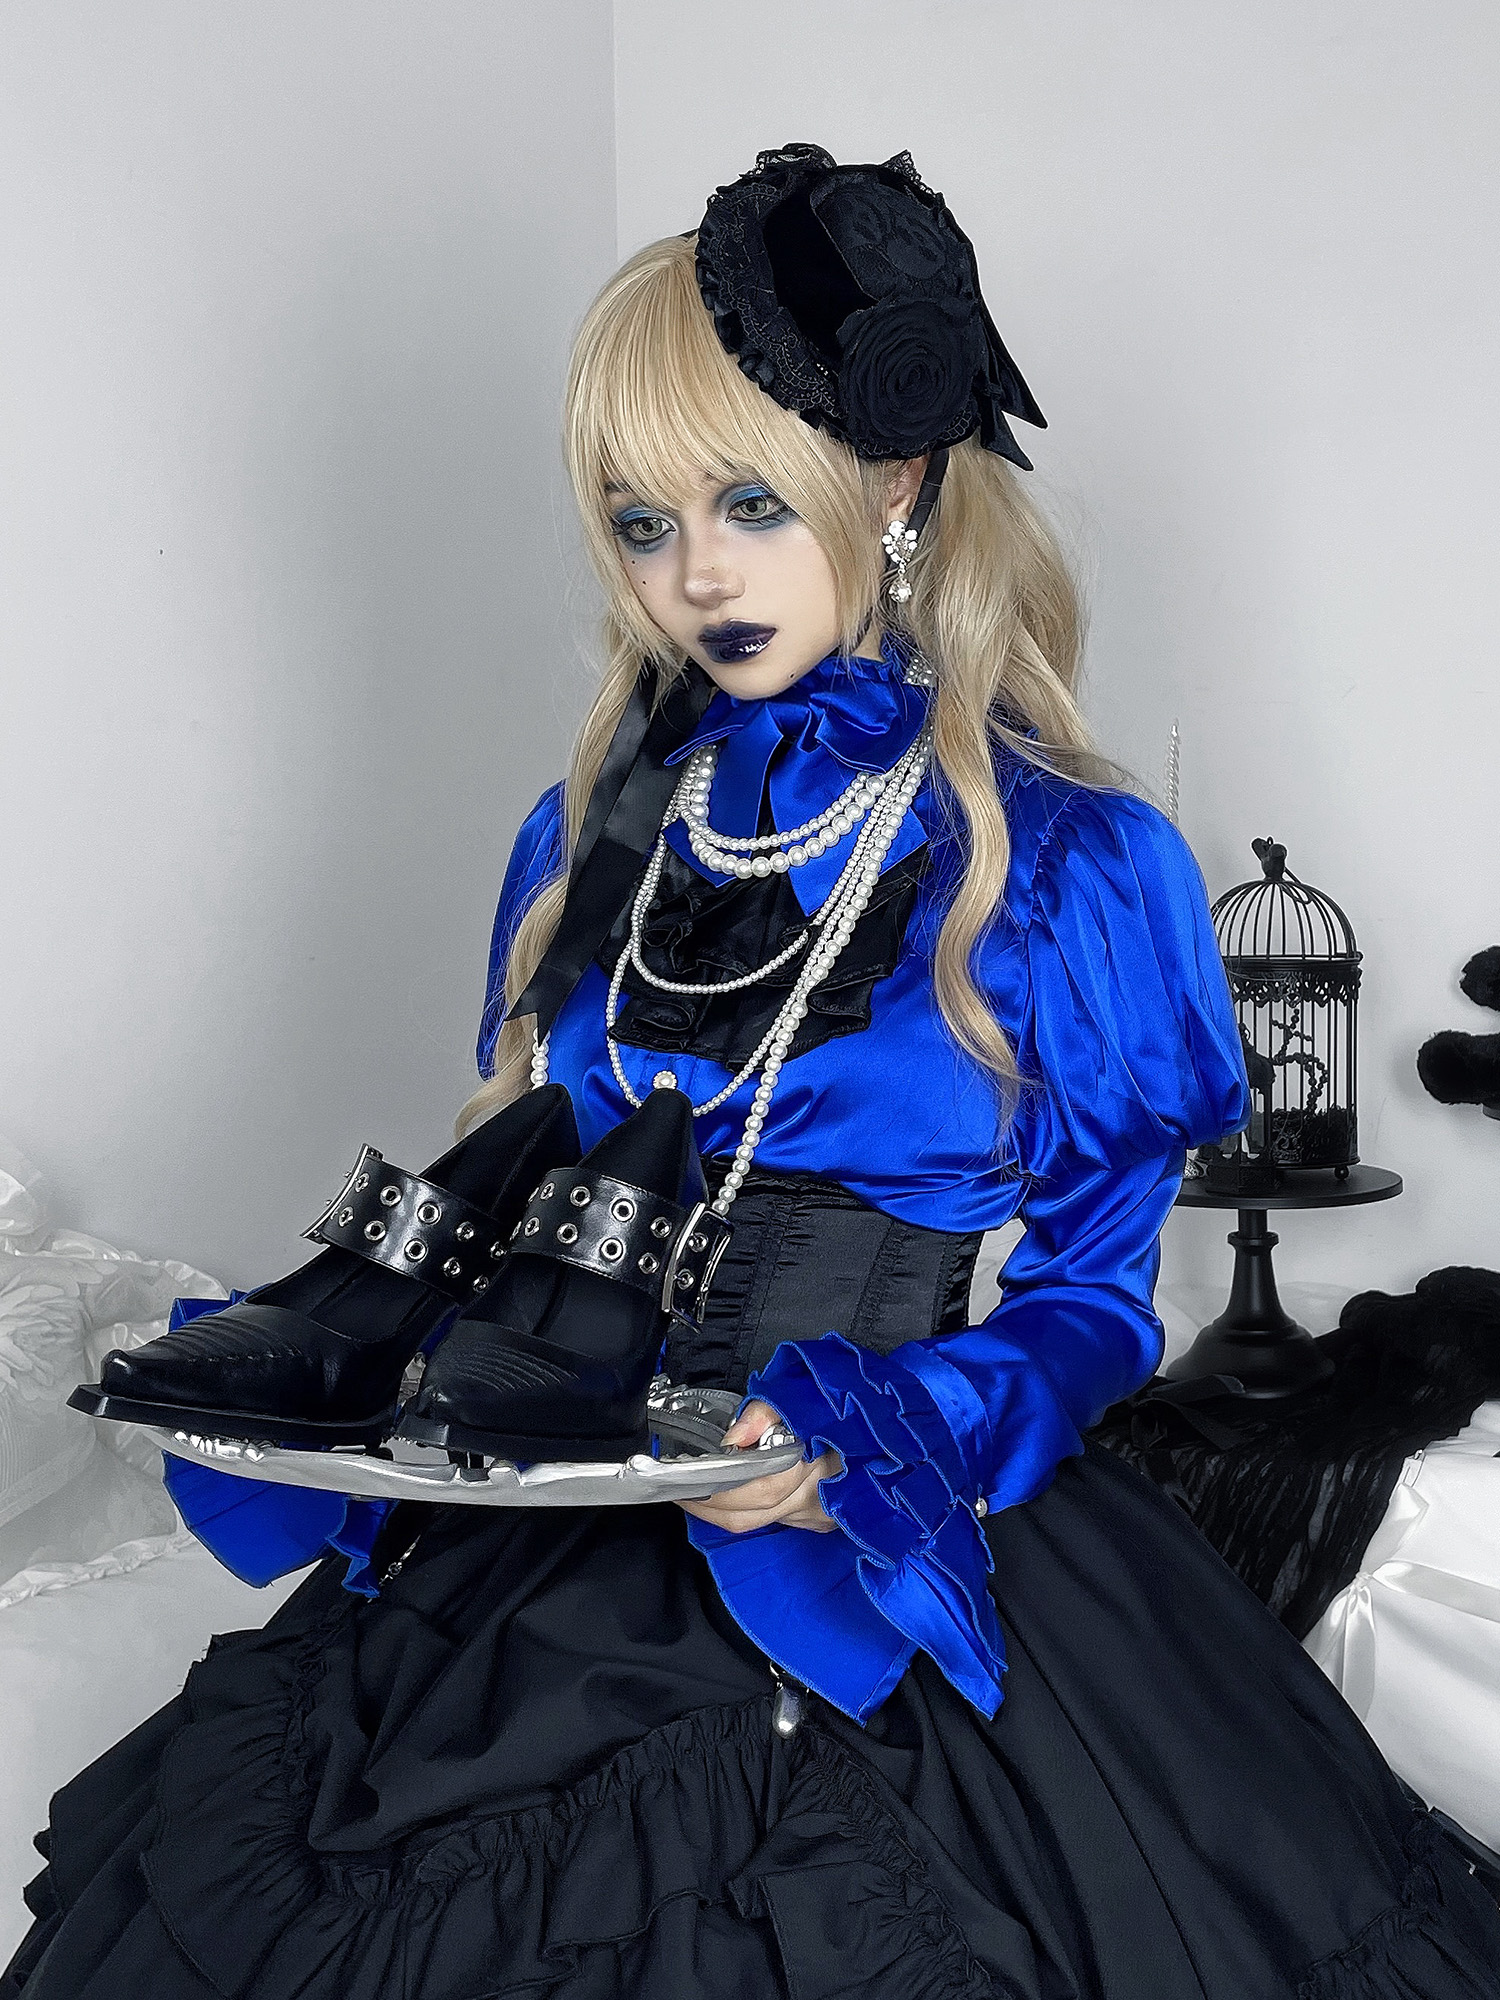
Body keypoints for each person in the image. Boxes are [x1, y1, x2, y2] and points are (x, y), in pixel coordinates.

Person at [8, 142, 1499, 2000]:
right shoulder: (588, 830)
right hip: (549, 1530)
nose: (695, 574)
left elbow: (1100, 1307)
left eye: (748, 502)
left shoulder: (1074, 864)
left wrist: (885, 1434)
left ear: (896, 479)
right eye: (642, 523)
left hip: (878, 1508)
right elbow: (529, 1189)